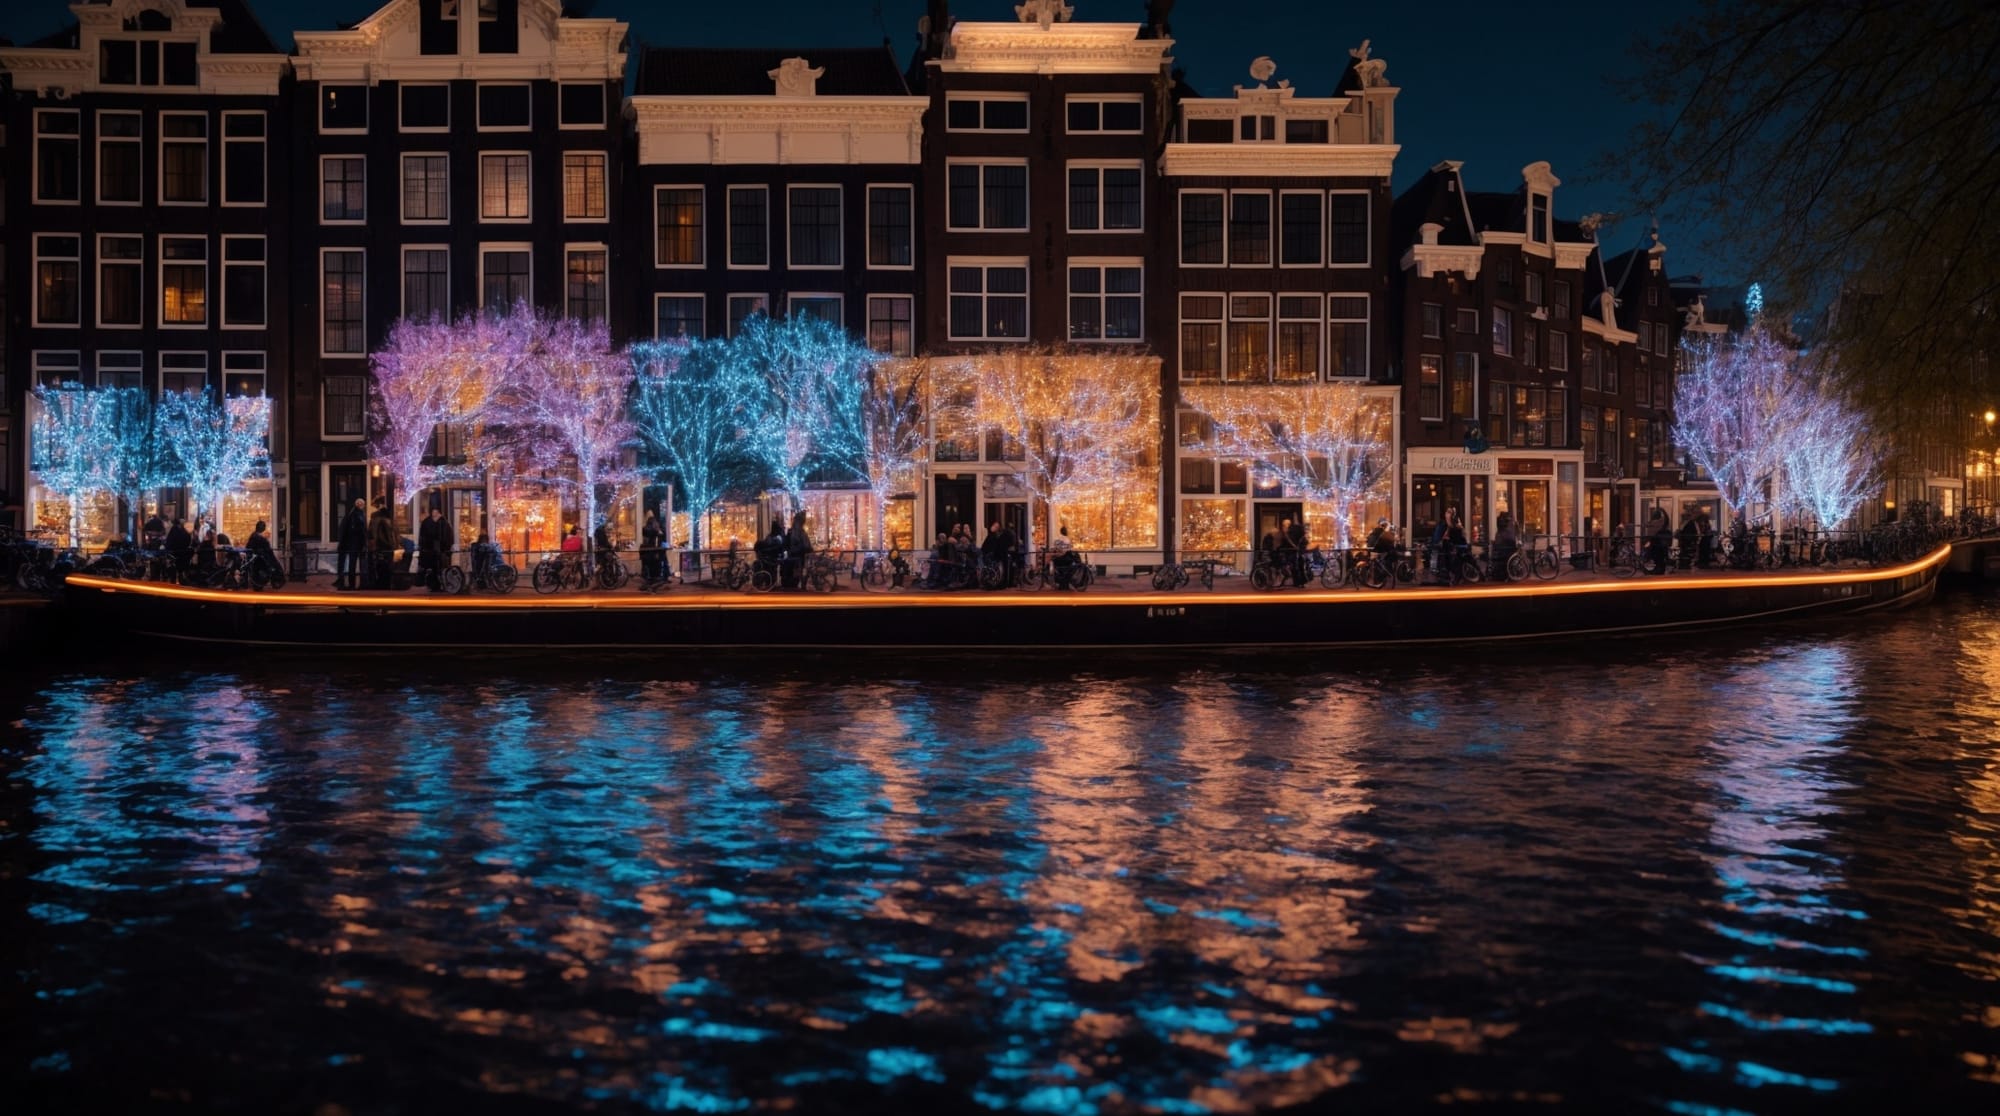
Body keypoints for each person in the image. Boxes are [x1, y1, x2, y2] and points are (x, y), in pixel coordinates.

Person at [336, 498, 367, 590]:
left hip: (349, 543)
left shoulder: (350, 514)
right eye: (362, 505)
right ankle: (355, 584)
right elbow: (361, 530)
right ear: (360, 505)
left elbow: (344, 529)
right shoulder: (359, 515)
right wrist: (364, 542)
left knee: (350, 564)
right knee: (355, 564)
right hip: (356, 544)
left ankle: (348, 583)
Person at [784, 510, 813, 589]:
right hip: (798, 553)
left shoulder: (795, 530)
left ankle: (798, 583)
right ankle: (799, 584)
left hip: (796, 553)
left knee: (799, 569)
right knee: (799, 569)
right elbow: (802, 543)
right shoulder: (799, 531)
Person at [418, 507, 445, 591]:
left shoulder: (427, 522)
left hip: (428, 549)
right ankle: (436, 585)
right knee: (436, 567)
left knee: (432, 568)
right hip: (434, 549)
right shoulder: (439, 522)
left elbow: (422, 537)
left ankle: (433, 584)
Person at [1492, 512, 1519, 580]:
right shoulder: (1506, 529)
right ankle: (1509, 573)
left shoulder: (1503, 529)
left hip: (1503, 546)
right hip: (1506, 547)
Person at [1646, 508, 1673, 575]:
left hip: (1654, 543)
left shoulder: (1650, 523)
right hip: (1660, 543)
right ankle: (1660, 569)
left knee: (1656, 557)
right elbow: (1667, 519)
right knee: (1661, 558)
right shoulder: (1661, 522)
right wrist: (1663, 510)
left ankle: (1658, 569)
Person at [640, 510, 664, 582]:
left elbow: (646, 533)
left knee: (647, 564)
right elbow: (659, 534)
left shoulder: (647, 527)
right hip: (654, 549)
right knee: (655, 564)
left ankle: (649, 578)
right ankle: (655, 578)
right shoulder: (655, 527)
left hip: (649, 549)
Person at [1286, 516, 1310, 587]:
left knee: (1295, 567)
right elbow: (1305, 543)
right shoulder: (1301, 536)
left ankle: (1297, 582)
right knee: (1300, 567)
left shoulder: (1291, 533)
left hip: (1294, 552)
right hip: (1299, 552)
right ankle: (1301, 582)